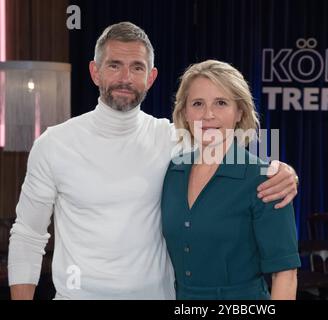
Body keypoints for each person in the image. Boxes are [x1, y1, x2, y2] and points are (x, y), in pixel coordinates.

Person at [7, 22, 299, 300]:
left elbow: (229, 149)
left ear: (151, 77)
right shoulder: (54, 144)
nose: (125, 78)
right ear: (95, 72)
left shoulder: (173, 140)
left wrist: (283, 171)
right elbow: (28, 236)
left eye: (137, 67)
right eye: (114, 65)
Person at [161, 60, 300, 300]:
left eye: (221, 103)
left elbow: (285, 275)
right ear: (185, 112)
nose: (208, 115)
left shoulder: (266, 178)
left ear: (240, 113)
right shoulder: (172, 171)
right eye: (197, 104)